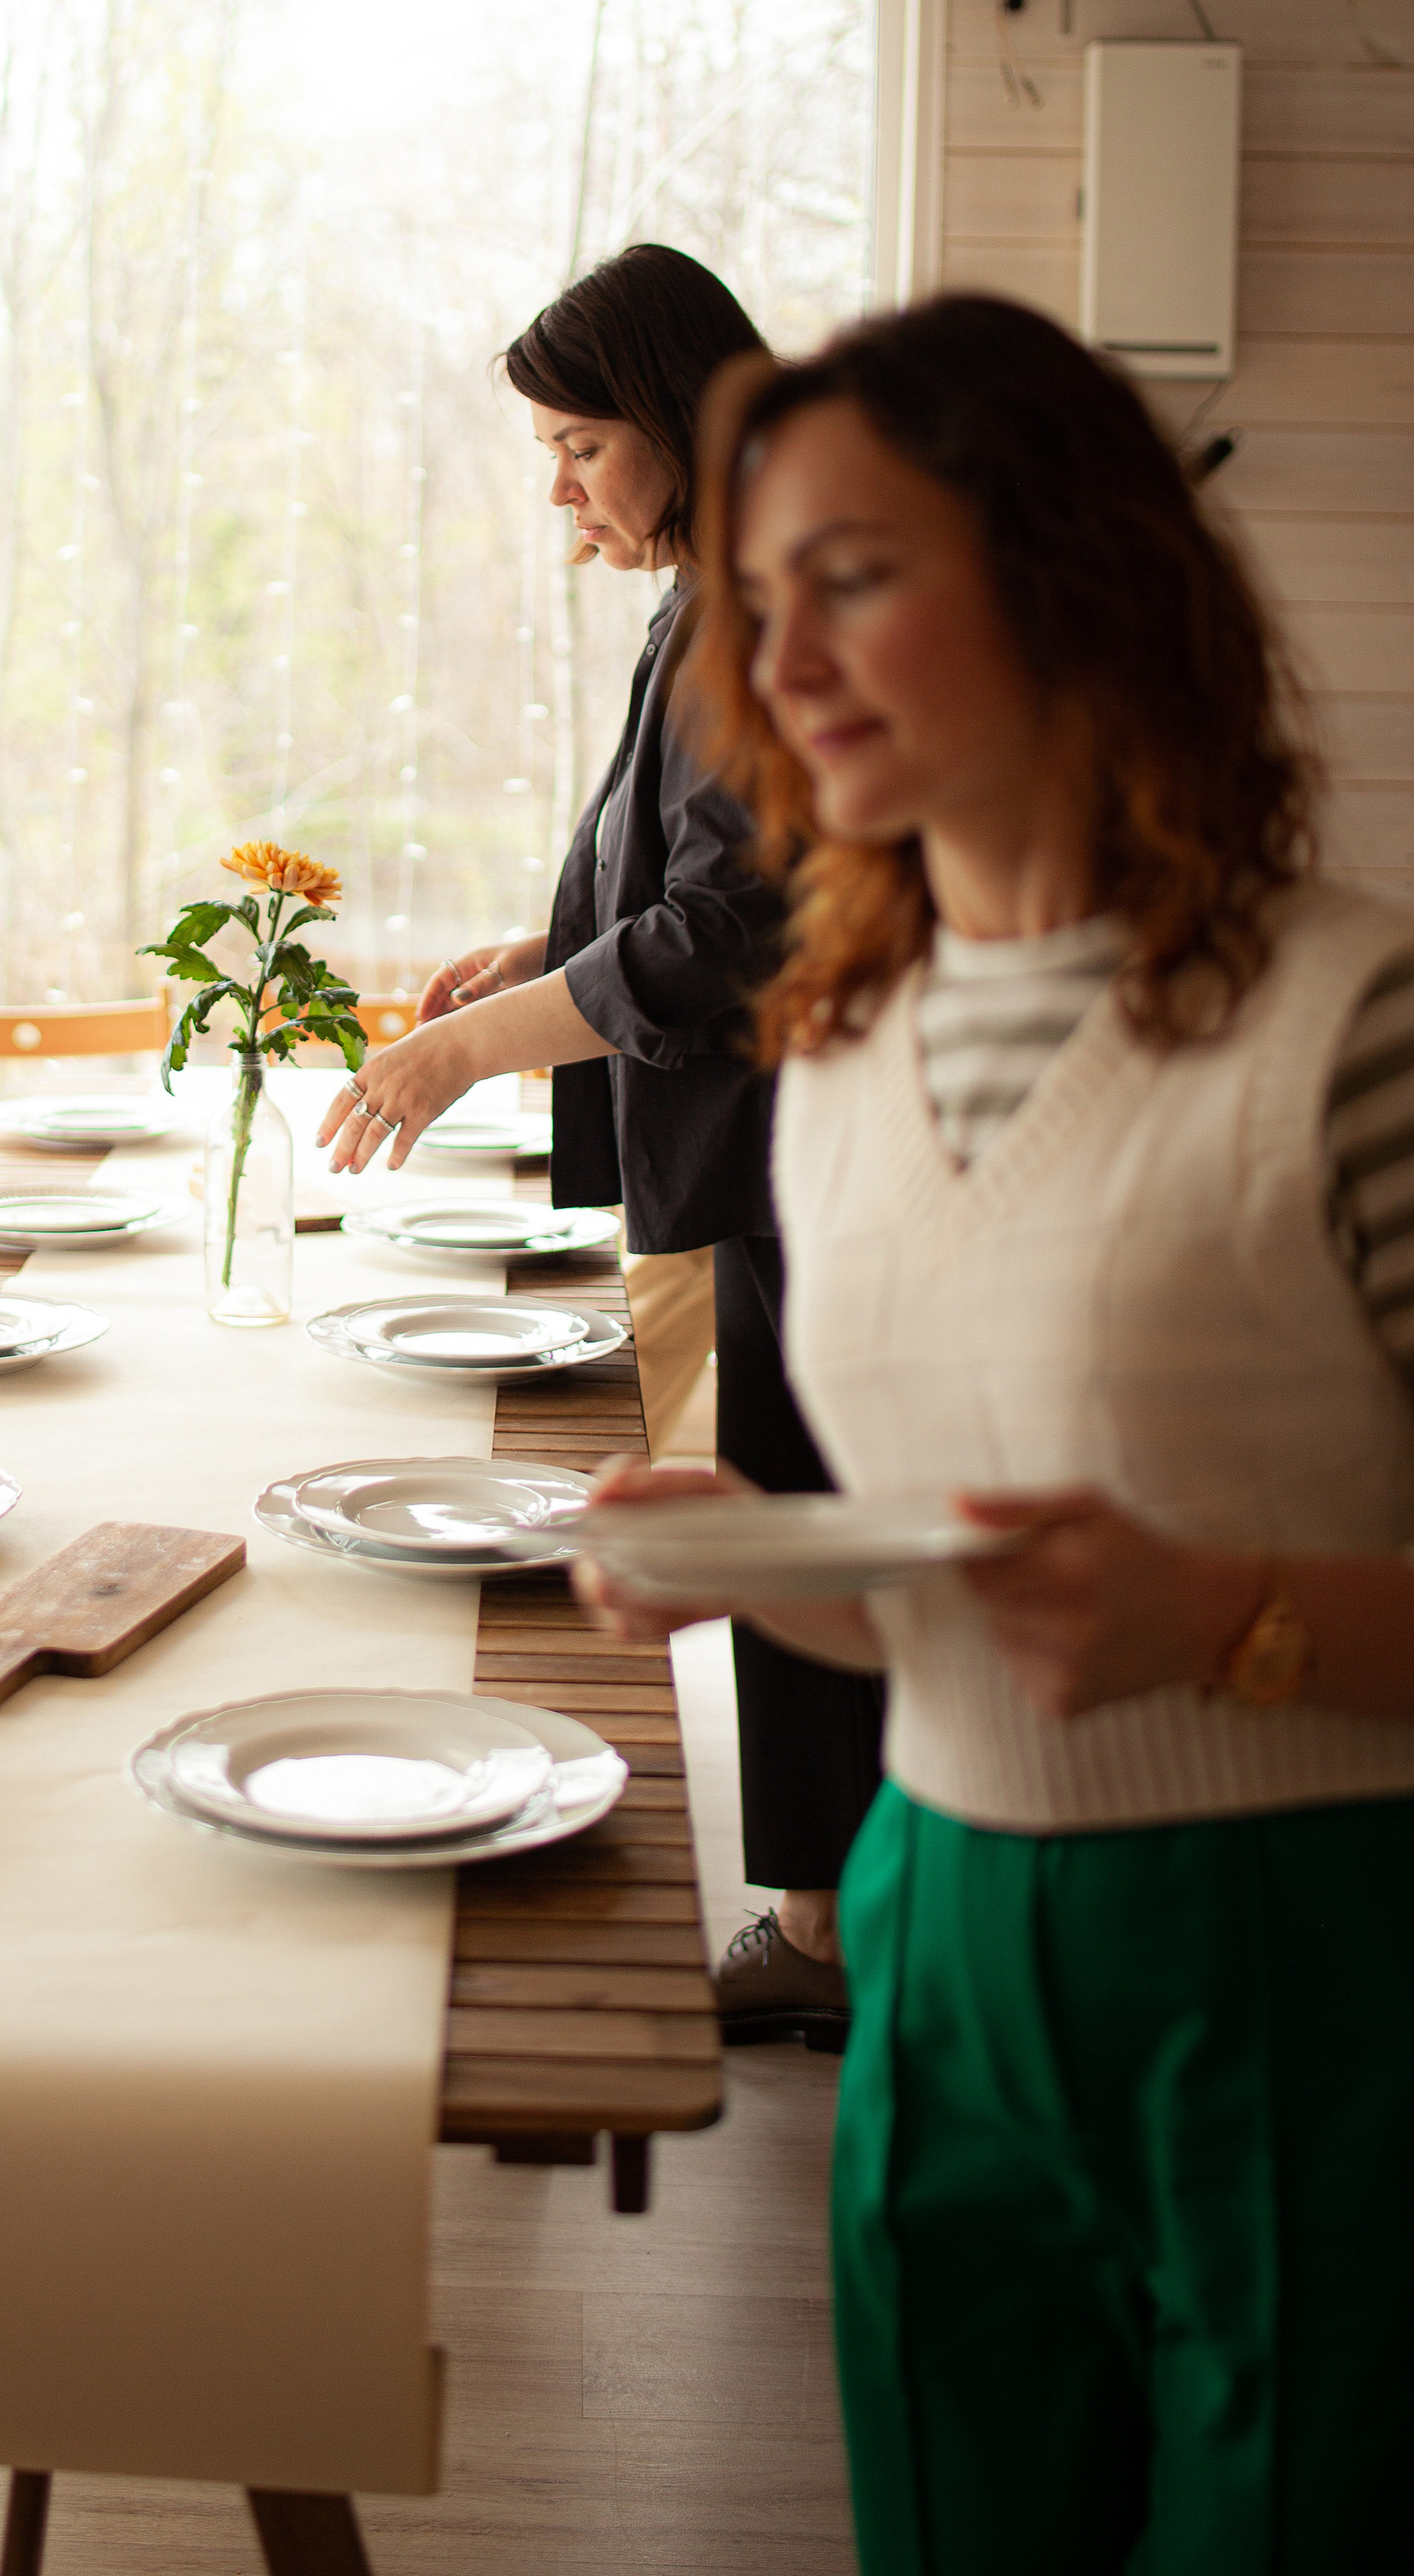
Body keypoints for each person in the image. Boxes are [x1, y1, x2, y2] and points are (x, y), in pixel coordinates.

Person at [587, 291, 1414, 2571]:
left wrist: (1225, 1619)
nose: (784, 657)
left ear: (1070, 570)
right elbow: (940, 1601)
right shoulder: (837, 1058)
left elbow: (1160, 1598)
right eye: (759, 603)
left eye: (855, 573)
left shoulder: (1350, 1023)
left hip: (1302, 1954)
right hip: (932, 1935)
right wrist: (773, 1558)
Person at [320, 241, 884, 2044]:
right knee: (790, 1505)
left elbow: (725, 931)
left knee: (800, 1517)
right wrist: (533, 950)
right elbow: (662, 870)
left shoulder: (757, 613)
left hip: (825, 1156)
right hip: (794, 1152)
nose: (559, 488)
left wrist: (473, 1047)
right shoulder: (706, 601)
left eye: (577, 445)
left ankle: (822, 1939)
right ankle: (832, 1911)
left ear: (670, 420)